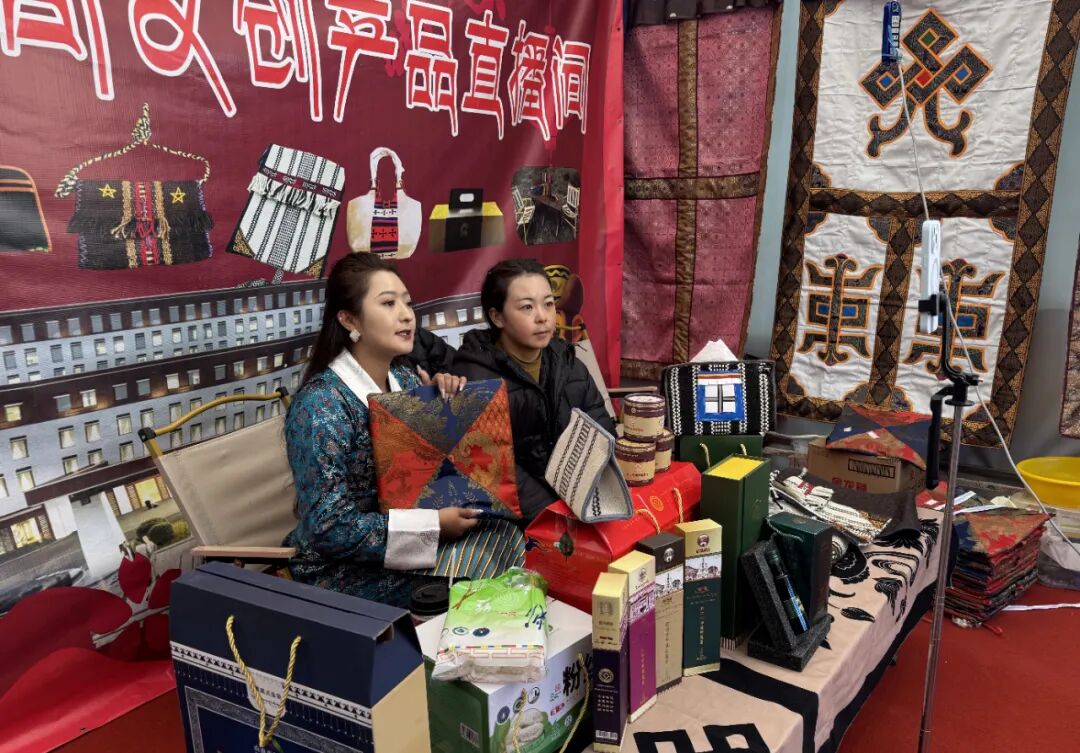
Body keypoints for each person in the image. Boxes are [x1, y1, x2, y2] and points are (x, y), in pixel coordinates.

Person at [284, 253, 478, 607]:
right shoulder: (320, 405)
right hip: (338, 570)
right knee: (473, 588)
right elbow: (329, 528)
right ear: (348, 319)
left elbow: (426, 474)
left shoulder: (404, 377)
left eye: (407, 302)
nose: (406, 315)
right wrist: (432, 526)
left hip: (410, 547)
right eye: (388, 303)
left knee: (509, 548)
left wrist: (443, 410)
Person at [453, 259, 615, 522]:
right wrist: (553, 515)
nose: (543, 317)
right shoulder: (475, 378)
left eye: (548, 304)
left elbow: (601, 430)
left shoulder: (569, 363)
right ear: (497, 317)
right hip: (516, 520)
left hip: (579, 505)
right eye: (527, 307)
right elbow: (496, 471)